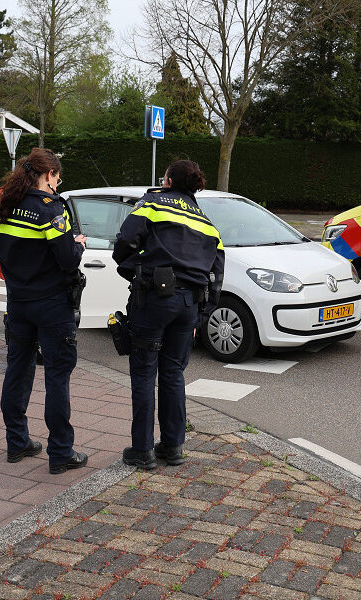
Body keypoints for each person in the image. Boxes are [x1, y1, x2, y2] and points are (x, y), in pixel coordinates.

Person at [112, 160, 225, 470]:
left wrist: (128, 261)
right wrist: (201, 317)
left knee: (145, 372)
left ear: (170, 182)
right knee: (174, 373)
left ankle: (142, 451)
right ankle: (173, 447)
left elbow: (124, 240)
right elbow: (217, 275)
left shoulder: (153, 202)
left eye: (164, 178)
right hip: (190, 304)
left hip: (154, 298)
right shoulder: (207, 222)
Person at [0, 147, 89, 475]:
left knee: (17, 370)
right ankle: (60, 452)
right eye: (57, 180)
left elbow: (4, 256)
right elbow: (68, 259)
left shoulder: (5, 205)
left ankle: (17, 442)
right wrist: (78, 243)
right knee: (57, 376)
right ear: (48, 175)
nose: (57, 186)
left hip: (18, 302)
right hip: (51, 305)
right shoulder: (50, 209)